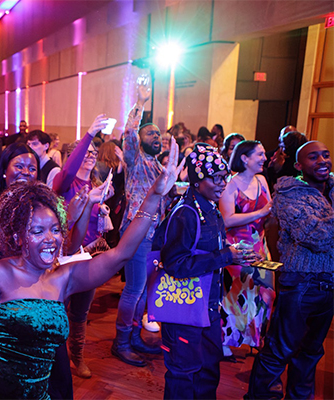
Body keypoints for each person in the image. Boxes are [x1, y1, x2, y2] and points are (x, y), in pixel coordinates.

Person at [0, 138, 182, 400]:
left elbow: (121, 254)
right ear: (18, 236)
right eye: (37, 231)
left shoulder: (64, 278)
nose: (50, 238)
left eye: (56, 229)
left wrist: (153, 196)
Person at [154, 143, 247, 399]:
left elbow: (205, 251)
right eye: (216, 178)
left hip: (207, 307)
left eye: (224, 177)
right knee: (183, 375)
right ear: (197, 179)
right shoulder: (186, 213)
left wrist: (230, 251)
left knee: (208, 371)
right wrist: (225, 255)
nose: (222, 184)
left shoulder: (211, 209)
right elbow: (176, 265)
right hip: (184, 310)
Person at [246, 141, 333, 400]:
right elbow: (315, 236)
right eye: (313, 157)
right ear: (298, 166)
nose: (322, 161)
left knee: (311, 353)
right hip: (302, 284)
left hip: (329, 284)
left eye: (326, 155)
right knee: (279, 349)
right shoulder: (289, 194)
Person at [52, 113, 113, 378]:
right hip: (67, 255)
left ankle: (77, 356)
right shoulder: (65, 182)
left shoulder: (95, 183)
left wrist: (103, 210)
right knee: (60, 308)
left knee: (82, 310)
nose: (90, 154)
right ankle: (55, 360)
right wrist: (89, 133)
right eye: (85, 151)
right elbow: (67, 170)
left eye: (93, 151)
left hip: (90, 253)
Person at [112, 78, 167, 367]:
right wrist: (141, 103)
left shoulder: (159, 165)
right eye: (151, 133)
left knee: (144, 290)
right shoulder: (136, 160)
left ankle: (133, 336)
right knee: (134, 289)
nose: (156, 137)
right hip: (137, 231)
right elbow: (130, 131)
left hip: (154, 234)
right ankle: (120, 342)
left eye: (159, 134)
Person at [219, 140, 274, 360]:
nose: (264, 158)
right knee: (235, 297)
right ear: (244, 158)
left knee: (264, 295)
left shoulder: (261, 180)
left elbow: (269, 211)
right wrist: (260, 213)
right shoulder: (229, 185)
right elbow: (227, 219)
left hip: (260, 246)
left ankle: (254, 339)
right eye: (259, 154)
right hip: (237, 250)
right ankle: (226, 340)